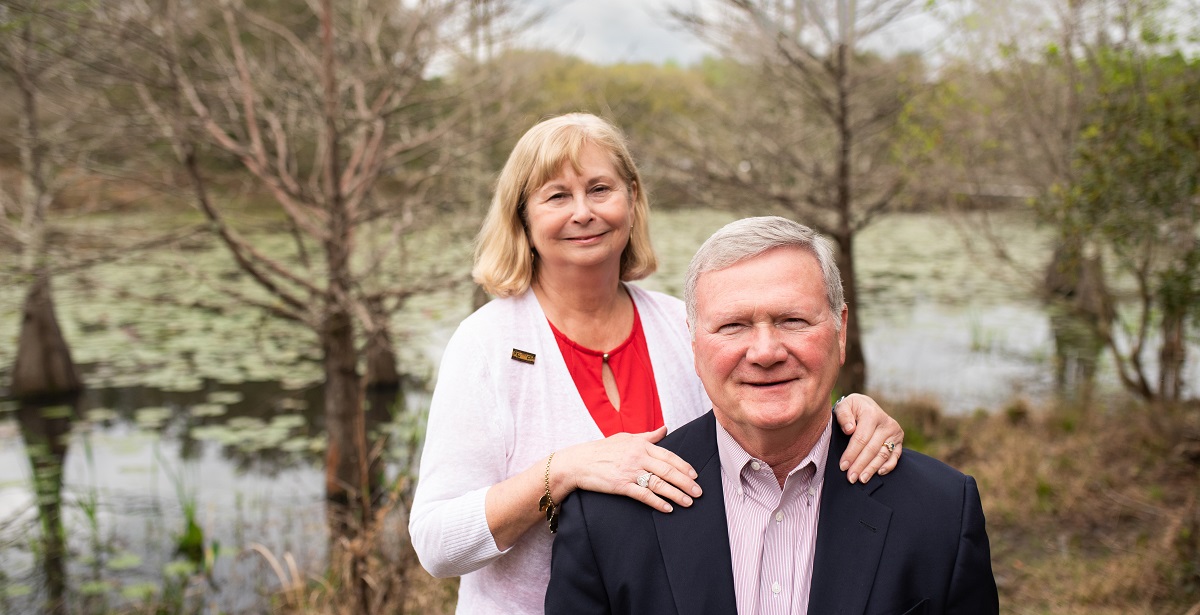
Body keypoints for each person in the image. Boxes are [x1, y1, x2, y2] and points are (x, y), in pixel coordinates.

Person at [408, 115, 907, 614]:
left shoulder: (681, 323)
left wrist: (847, 414)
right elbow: (436, 544)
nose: (583, 212)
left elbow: (756, 411)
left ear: (631, 198)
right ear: (523, 218)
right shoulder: (485, 344)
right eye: (556, 196)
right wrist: (560, 473)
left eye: (600, 189)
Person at [545, 216, 999, 615]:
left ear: (840, 332)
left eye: (792, 321)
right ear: (695, 343)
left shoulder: (941, 511)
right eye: (733, 325)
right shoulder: (606, 517)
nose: (765, 352)